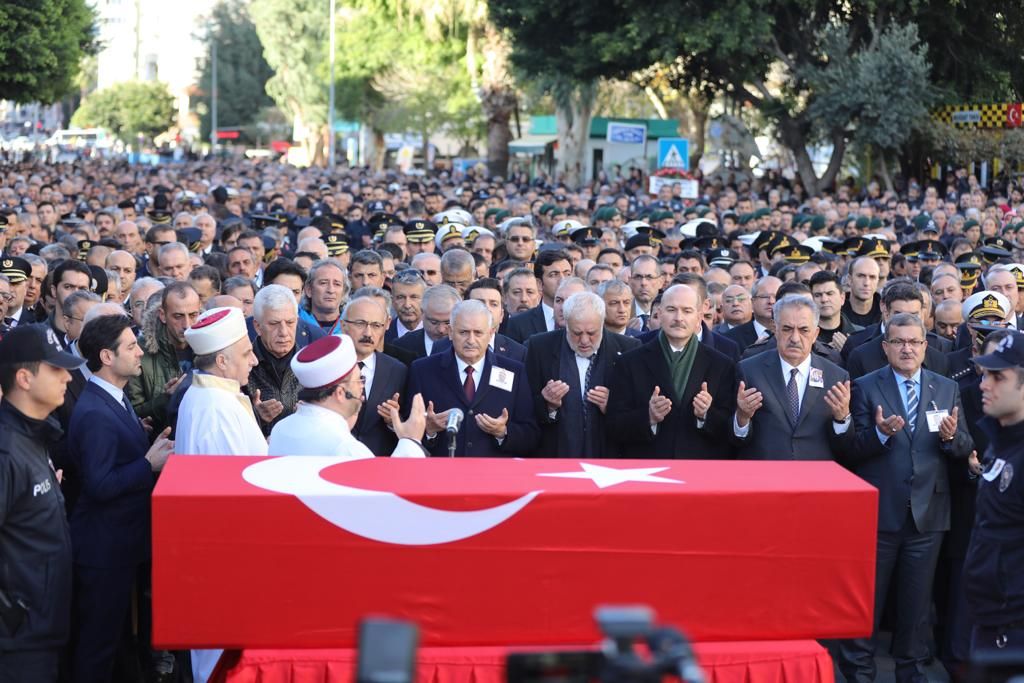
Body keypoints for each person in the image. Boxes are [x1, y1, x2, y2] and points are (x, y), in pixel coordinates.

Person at [840, 312, 972, 683]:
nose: (906, 349)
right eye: (898, 342)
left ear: (925, 346)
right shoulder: (864, 386)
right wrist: (880, 434)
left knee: (915, 609)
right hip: (878, 515)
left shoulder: (945, 388)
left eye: (914, 342)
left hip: (927, 517)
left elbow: (964, 446)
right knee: (868, 603)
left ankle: (911, 672)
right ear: (885, 347)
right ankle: (859, 673)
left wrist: (950, 438)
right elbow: (850, 448)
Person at [67, 314, 173, 682]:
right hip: (103, 550)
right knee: (98, 646)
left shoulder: (113, 397)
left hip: (119, 545)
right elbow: (99, 484)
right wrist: (148, 462)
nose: (140, 351)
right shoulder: (96, 410)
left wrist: (143, 441)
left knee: (114, 643)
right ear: (107, 357)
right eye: (131, 346)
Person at [0, 325, 81, 682]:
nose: (67, 376)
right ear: (24, 378)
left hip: (40, 631)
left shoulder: (32, 436)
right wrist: (12, 614)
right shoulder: (6, 449)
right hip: (16, 643)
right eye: (55, 368)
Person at [607, 284, 736, 459]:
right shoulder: (629, 362)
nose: (678, 318)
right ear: (659, 314)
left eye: (687, 311)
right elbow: (614, 426)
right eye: (671, 309)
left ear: (699, 318)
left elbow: (730, 430)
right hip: (647, 470)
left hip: (700, 472)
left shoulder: (722, 365)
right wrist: (649, 417)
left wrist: (705, 415)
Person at [406, 299, 539, 457]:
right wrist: (429, 431)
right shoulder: (422, 370)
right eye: (463, 332)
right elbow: (407, 436)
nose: (471, 340)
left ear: (490, 334)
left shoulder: (514, 371)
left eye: (478, 333)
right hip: (442, 474)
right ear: (450, 332)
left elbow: (531, 435)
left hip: (493, 476)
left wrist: (502, 432)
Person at [731, 294, 855, 460]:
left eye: (804, 330)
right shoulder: (749, 370)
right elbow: (734, 440)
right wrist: (742, 417)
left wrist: (842, 418)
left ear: (816, 333)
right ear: (775, 329)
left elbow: (845, 446)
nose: (795, 338)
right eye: (787, 329)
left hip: (816, 478)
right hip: (765, 477)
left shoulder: (836, 376)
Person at [964, 330, 1024, 658]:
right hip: (991, 621)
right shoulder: (999, 440)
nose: (984, 384)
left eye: (998, 376)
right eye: (985, 374)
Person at [268, 334, 426, 458]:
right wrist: (410, 441)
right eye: (359, 380)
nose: (362, 389)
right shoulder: (346, 448)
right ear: (340, 393)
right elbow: (383, 495)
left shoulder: (280, 429)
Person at [526, 291, 640, 458]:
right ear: (565, 324)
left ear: (602, 323)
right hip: (556, 457)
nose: (585, 341)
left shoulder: (628, 348)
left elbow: (639, 413)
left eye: (592, 333)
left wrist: (613, 406)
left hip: (610, 457)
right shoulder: (540, 347)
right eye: (577, 333)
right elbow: (525, 407)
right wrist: (548, 404)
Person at [126, 282, 200, 435]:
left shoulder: (210, 346)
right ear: (162, 315)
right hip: (162, 447)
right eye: (178, 316)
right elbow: (132, 414)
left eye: (193, 315)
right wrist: (167, 398)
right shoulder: (139, 352)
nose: (187, 325)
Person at [340, 297, 409, 456]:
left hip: (380, 465)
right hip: (333, 460)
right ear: (344, 326)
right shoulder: (328, 366)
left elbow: (408, 426)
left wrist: (393, 421)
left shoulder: (397, 370)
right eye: (360, 324)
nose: (368, 333)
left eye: (376, 326)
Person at [431, 278, 526, 362]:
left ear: (501, 315)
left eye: (493, 304)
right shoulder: (441, 347)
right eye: (479, 303)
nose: (487, 309)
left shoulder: (518, 352)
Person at [505, 249, 572, 342]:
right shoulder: (518, 324)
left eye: (567, 274)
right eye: (553, 275)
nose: (562, 280)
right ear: (539, 283)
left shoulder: (585, 316)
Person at [392, 284, 461, 360]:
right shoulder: (402, 346)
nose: (441, 329)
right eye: (434, 322)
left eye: (448, 322)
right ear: (422, 313)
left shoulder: (467, 347)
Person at [724, 275, 780, 352]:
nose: (771, 301)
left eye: (776, 296)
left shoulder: (793, 334)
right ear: (752, 301)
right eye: (764, 296)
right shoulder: (731, 338)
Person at [385, 269, 426, 342]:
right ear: (392, 301)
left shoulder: (436, 334)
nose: (407, 305)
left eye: (414, 297)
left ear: (425, 299)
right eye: (400, 297)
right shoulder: (383, 334)